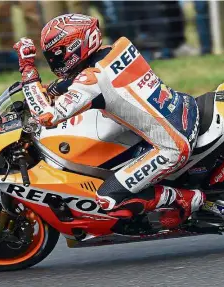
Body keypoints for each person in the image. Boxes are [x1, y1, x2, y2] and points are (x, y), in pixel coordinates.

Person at [13, 14, 205, 229]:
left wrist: (28, 71)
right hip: (182, 108)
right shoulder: (117, 48)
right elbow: (75, 83)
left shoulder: (92, 81)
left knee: (108, 198)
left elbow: (47, 117)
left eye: (57, 54)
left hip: (171, 145)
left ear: (75, 48)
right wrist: (51, 89)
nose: (53, 60)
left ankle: (185, 198)